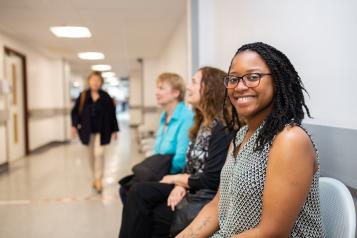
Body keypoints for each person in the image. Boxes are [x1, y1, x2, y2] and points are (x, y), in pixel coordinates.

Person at [177, 42, 326, 238]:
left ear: (278, 80)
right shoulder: (240, 136)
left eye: (253, 77)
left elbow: (272, 233)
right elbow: (216, 207)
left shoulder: (289, 139)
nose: (239, 87)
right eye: (233, 79)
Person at [119, 67, 233, 238]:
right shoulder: (201, 123)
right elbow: (190, 166)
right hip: (189, 185)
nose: (188, 87)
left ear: (210, 88)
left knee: (146, 208)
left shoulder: (220, 127)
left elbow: (210, 179)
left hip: (202, 193)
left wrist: (176, 180)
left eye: (194, 82)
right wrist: (180, 185)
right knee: (136, 192)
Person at [119, 73, 194, 202]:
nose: (156, 92)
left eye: (161, 88)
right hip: (160, 168)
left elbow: (181, 159)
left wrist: (158, 176)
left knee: (133, 192)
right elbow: (158, 150)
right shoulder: (164, 116)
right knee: (125, 187)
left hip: (172, 174)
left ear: (176, 93)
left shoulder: (187, 117)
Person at [71, 71, 119, 193]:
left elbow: (112, 114)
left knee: (99, 154)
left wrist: (115, 130)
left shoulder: (105, 96)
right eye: (93, 80)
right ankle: (94, 177)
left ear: (101, 82)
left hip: (102, 131)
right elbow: (75, 112)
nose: (95, 82)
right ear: (89, 81)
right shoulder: (83, 96)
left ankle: (99, 179)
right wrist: (74, 126)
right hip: (87, 131)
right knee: (90, 156)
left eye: (98, 80)